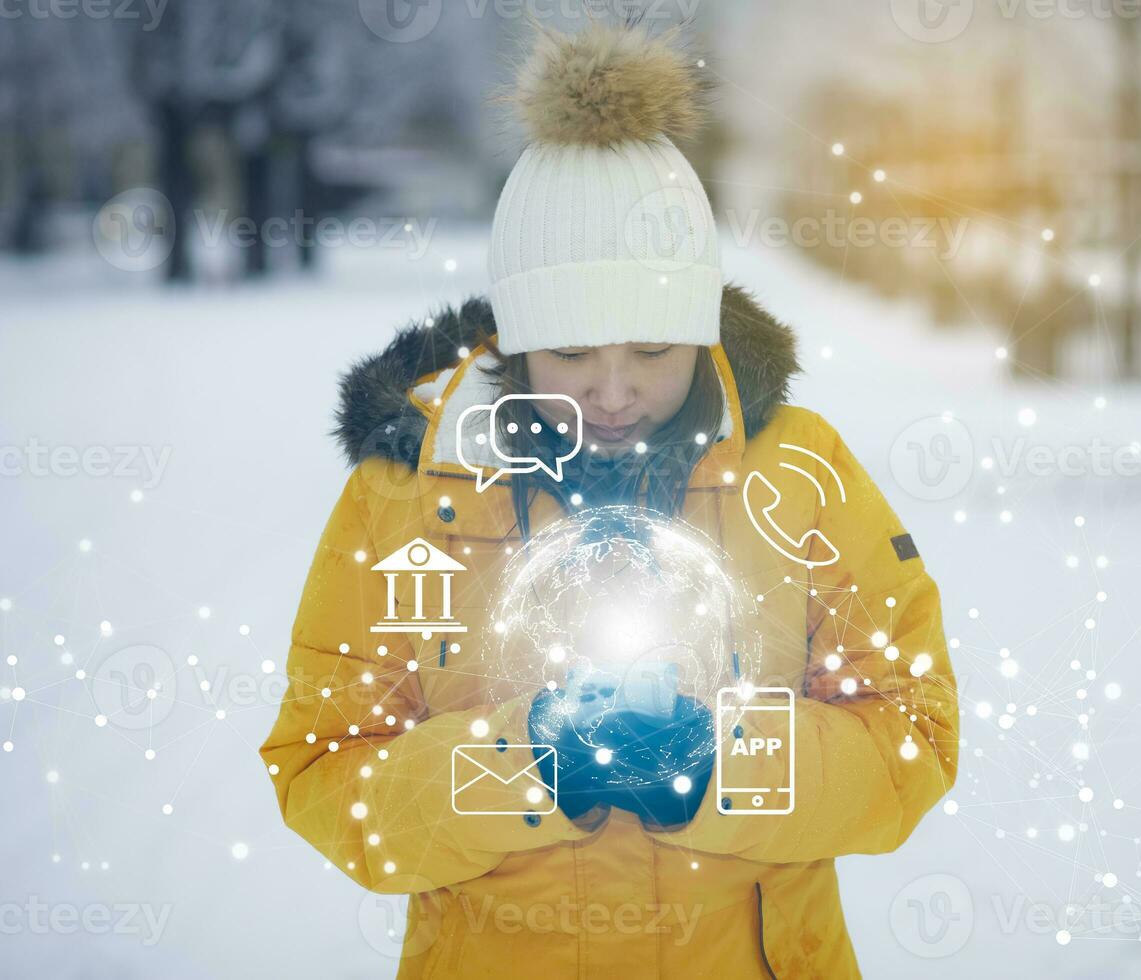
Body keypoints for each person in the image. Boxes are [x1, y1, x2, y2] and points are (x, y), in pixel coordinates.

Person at [260, 20, 957, 978]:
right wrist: (524, 760)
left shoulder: (798, 478)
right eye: (574, 353)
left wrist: (727, 762)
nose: (616, 391)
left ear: (702, 325)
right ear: (515, 338)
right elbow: (325, 773)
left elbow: (911, 732)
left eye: (654, 349)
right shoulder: (408, 499)